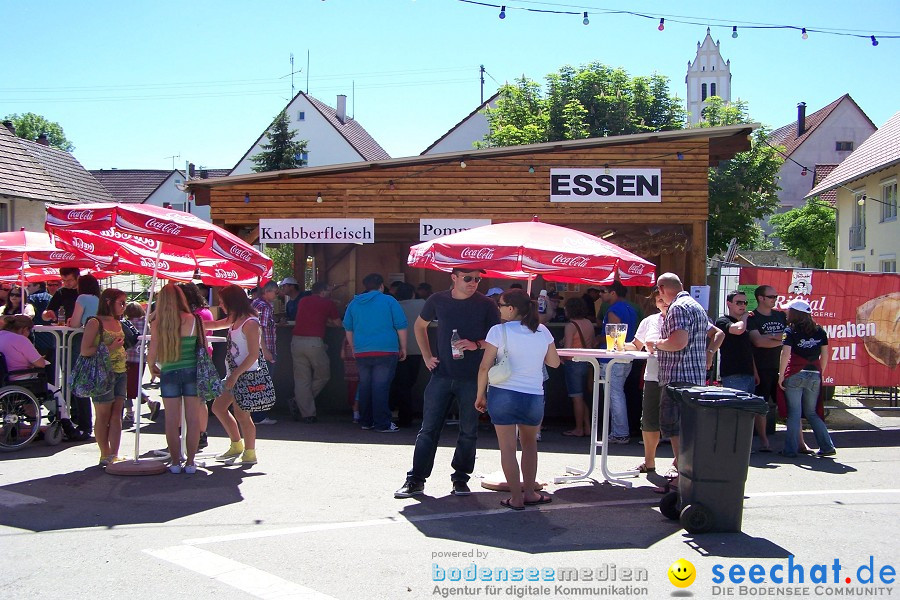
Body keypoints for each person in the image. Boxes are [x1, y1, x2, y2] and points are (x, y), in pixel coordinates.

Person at [394, 268, 500, 499]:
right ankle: (416, 480)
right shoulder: (437, 300)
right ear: (454, 278)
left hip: (473, 377)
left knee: (469, 431)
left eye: (477, 279)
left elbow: (497, 338)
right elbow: (419, 326)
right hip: (441, 375)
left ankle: (460, 479)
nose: (474, 283)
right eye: (468, 278)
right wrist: (426, 356)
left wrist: (476, 344)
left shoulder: (486, 304)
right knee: (428, 430)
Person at [475, 288, 560, 509]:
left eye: (500, 305)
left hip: (503, 393)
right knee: (530, 445)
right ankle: (530, 492)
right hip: (533, 395)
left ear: (511, 309)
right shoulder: (542, 331)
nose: (498, 308)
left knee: (508, 448)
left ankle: (516, 497)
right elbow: (554, 363)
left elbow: (485, 366)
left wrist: (480, 394)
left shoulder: (498, 331)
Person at [646, 273, 712, 477]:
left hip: (678, 378)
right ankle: (684, 474)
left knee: (675, 429)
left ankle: (681, 478)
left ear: (662, 288)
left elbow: (678, 342)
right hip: (693, 377)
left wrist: (656, 343)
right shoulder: (694, 305)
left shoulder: (677, 307)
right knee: (687, 429)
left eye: (659, 291)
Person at [203, 285, 266, 465]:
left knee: (242, 415)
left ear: (232, 302)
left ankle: (250, 452)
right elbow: (215, 325)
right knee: (218, 408)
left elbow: (254, 354)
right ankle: (237, 444)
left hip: (245, 376)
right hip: (234, 375)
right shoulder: (235, 318)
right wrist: (192, 323)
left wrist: (235, 375)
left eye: (223, 302)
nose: (221, 305)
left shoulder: (250, 323)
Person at [147, 284, 205, 474]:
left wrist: (152, 367)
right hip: (192, 372)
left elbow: (152, 354)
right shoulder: (193, 319)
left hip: (169, 372)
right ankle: (190, 462)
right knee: (193, 419)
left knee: (171, 421)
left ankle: (174, 462)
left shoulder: (158, 323)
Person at [343, 273, 408, 433]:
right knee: (381, 387)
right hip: (386, 349)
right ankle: (382, 423)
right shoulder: (389, 301)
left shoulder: (354, 303)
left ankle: (366, 421)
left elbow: (348, 328)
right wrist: (403, 347)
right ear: (381, 286)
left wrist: (353, 347)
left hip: (362, 350)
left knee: (365, 386)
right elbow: (401, 325)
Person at [778, 299, 836, 458]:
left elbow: (786, 354)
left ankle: (790, 450)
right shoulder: (820, 330)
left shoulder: (790, 330)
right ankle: (827, 446)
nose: (787, 313)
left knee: (794, 413)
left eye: (789, 310)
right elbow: (825, 355)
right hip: (815, 374)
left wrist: (781, 375)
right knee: (811, 412)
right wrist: (820, 372)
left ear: (795, 313)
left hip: (796, 373)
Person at [80, 289, 128, 466]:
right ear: (108, 302)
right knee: (102, 415)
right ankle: (104, 453)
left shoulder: (118, 322)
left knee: (117, 415)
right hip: (101, 373)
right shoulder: (94, 322)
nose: (124, 307)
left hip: (120, 371)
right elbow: (85, 350)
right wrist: (110, 348)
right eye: (121, 303)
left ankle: (114, 454)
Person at [715, 290, 763, 446]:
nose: (743, 306)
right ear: (729, 304)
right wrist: (744, 318)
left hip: (748, 373)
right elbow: (737, 329)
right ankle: (731, 445)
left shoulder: (745, 323)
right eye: (739, 302)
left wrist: (755, 372)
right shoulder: (723, 321)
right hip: (733, 373)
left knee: (749, 411)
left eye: (745, 302)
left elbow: (749, 350)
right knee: (736, 411)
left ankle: (746, 444)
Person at [747, 285, 790, 453]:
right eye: (771, 297)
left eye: (776, 296)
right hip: (763, 368)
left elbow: (789, 337)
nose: (775, 299)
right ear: (761, 298)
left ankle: (797, 442)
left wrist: (772, 338)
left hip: (782, 366)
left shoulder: (780, 315)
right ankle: (764, 441)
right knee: (762, 405)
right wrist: (781, 340)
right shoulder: (752, 317)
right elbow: (758, 342)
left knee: (790, 406)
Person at [629, 291, 669, 473]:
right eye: (659, 299)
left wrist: (709, 354)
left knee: (676, 421)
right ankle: (649, 462)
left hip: (677, 375)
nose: (663, 302)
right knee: (649, 421)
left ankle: (678, 465)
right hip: (652, 376)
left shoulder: (683, 316)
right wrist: (616, 343)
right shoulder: (649, 321)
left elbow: (715, 334)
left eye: (665, 298)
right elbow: (636, 345)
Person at [291, 281, 341, 423]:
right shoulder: (328, 303)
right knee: (323, 374)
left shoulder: (303, 301)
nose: (330, 293)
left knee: (301, 379)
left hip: (296, 341)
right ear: (323, 291)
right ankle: (300, 402)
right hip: (314, 342)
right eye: (329, 290)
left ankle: (306, 412)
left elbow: (311, 317)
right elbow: (338, 324)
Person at [598, 281, 638, 444]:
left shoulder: (613, 310)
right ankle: (620, 431)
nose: (600, 294)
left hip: (613, 358)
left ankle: (620, 432)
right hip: (626, 356)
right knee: (617, 393)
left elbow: (613, 336)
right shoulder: (630, 308)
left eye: (603, 291)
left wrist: (598, 338)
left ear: (613, 293)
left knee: (614, 394)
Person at [178, 282, 215, 442]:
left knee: (183, 399)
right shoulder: (206, 312)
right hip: (204, 357)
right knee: (200, 399)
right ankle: (201, 433)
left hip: (188, 358)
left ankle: (185, 433)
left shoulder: (190, 315)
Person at [561, 296, 596, 437]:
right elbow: (592, 343)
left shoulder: (570, 326)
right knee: (582, 397)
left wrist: (561, 357)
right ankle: (587, 427)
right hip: (588, 363)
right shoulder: (588, 323)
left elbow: (568, 348)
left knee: (576, 397)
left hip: (573, 363)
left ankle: (579, 428)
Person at [391, 282, 426, 427]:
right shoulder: (421, 304)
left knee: (399, 384)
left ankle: (401, 414)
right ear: (413, 293)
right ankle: (406, 415)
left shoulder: (393, 306)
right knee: (409, 384)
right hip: (417, 350)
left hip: (396, 349)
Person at [251, 280, 279, 426]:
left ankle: (255, 414)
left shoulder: (255, 303)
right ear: (267, 291)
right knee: (264, 383)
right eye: (275, 291)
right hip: (265, 349)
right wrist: (266, 351)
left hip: (256, 350)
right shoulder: (264, 306)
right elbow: (259, 330)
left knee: (257, 383)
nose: (276, 294)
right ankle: (259, 416)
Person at [123, 302, 147, 426]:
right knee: (135, 384)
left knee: (127, 387)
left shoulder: (126, 324)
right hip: (141, 358)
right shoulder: (145, 323)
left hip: (127, 358)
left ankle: (130, 412)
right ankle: (149, 400)